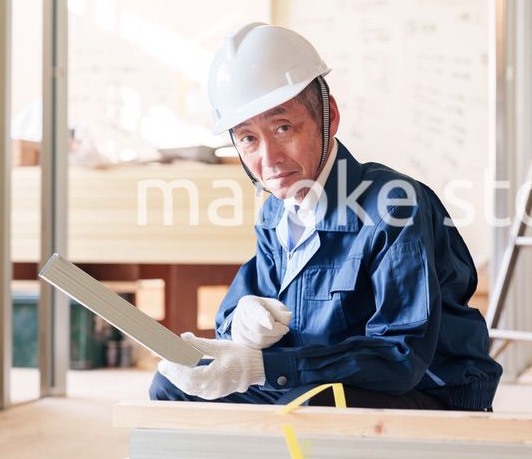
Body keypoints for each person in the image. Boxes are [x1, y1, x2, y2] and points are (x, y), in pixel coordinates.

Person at [150, 23, 502, 411]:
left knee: (307, 406)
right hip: (316, 378)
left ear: (328, 117)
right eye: (248, 138)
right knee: (173, 385)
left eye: (283, 127)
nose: (268, 159)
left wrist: (264, 368)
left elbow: (401, 357)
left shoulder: (394, 207)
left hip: (426, 389)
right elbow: (238, 313)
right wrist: (242, 324)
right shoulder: (276, 213)